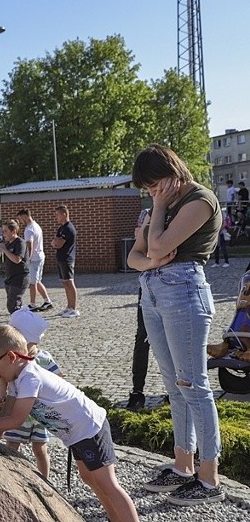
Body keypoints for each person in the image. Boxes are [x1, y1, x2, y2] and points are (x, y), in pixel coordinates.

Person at [0, 325, 139, 522]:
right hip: (76, 434)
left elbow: (15, 420)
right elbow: (6, 412)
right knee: (89, 478)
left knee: (107, 484)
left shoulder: (30, 378)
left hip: (89, 427)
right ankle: (115, 518)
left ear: (10, 357)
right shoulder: (16, 380)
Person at [128, 144, 225, 506]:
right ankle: (183, 465)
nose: (152, 194)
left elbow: (155, 246)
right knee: (174, 385)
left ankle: (209, 478)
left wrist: (156, 216)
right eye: (149, 191)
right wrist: (152, 255)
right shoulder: (165, 205)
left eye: (154, 186)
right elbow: (135, 257)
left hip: (184, 291)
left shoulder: (199, 200)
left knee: (193, 384)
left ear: (172, 173)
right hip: (154, 293)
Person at [0, 308, 61, 478]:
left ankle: (44, 479)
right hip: (17, 410)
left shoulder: (44, 358)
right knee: (12, 445)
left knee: (40, 448)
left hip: (39, 415)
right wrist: (1, 394)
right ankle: (12, 476)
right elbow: (2, 378)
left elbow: (58, 378)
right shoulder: (10, 358)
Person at [127, 209, 152, 412]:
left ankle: (174, 392)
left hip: (170, 287)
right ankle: (137, 391)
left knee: (171, 344)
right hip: (146, 286)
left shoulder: (177, 212)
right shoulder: (145, 214)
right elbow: (138, 246)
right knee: (142, 339)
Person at [17, 209, 53, 312]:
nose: (20, 222)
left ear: (24, 217)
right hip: (40, 256)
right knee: (37, 281)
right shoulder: (36, 225)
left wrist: (28, 259)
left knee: (33, 282)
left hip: (34, 258)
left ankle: (32, 304)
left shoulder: (29, 229)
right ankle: (47, 301)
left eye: (20, 219)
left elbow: (29, 245)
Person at [51, 205, 79, 318]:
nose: (56, 217)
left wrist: (55, 243)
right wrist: (55, 242)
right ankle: (69, 306)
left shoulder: (68, 228)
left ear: (64, 214)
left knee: (69, 282)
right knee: (64, 282)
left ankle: (74, 308)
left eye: (57, 214)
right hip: (61, 258)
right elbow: (54, 242)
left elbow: (59, 243)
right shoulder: (61, 228)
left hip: (67, 258)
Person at [0, 220, 29, 314]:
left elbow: (17, 259)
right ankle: (20, 319)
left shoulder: (20, 242)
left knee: (13, 304)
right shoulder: (8, 243)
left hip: (20, 277)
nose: (3, 234)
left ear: (13, 231)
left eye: (5, 231)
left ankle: (19, 323)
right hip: (10, 277)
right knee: (12, 302)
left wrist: (4, 249)